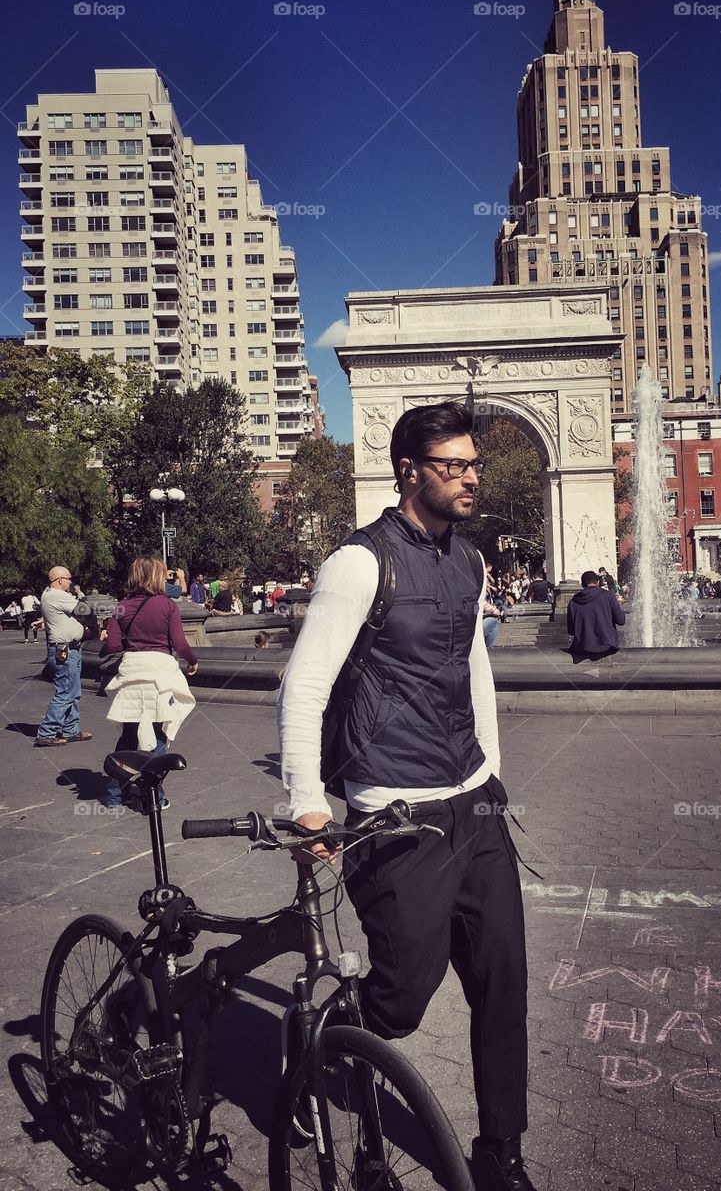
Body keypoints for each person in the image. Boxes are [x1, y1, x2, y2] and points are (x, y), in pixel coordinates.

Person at [277, 400, 537, 1191]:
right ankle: (321, 1040)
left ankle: (501, 1151)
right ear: (409, 471)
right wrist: (307, 801)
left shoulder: (470, 559)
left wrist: (491, 773)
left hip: (472, 802)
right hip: (395, 812)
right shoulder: (361, 563)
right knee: (400, 1000)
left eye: (473, 464)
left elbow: (472, 669)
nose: (470, 478)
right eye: (453, 465)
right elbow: (305, 684)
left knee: (502, 982)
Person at [102, 556, 199, 809]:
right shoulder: (166, 605)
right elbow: (179, 643)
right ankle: (154, 795)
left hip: (131, 671)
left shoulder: (121, 606)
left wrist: (131, 643)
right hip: (159, 672)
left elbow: (112, 645)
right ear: (157, 576)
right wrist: (192, 660)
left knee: (128, 734)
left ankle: (114, 794)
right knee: (157, 734)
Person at [34, 568, 93, 747]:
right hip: (66, 650)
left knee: (73, 692)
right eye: (68, 579)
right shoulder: (57, 595)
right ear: (60, 580)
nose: (70, 583)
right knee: (65, 693)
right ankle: (46, 732)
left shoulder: (48, 594)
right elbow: (83, 609)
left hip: (68, 649)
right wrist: (81, 596)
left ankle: (70, 729)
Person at [566, 570, 626, 660]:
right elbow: (621, 621)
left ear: (582, 584)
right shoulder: (608, 596)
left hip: (582, 648)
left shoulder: (573, 601)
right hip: (607, 646)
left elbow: (571, 631)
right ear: (598, 582)